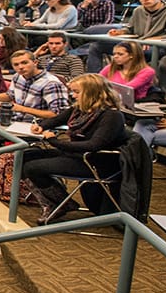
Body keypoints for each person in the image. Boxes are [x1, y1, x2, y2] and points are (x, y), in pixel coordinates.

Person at [24, 74, 126, 224]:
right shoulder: (80, 108)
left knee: (33, 167)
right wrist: (42, 126)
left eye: (77, 92)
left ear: (92, 93)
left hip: (95, 162)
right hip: (76, 154)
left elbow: (92, 145)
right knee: (26, 156)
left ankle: (59, 203)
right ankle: (60, 202)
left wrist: (54, 141)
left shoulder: (112, 116)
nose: (73, 95)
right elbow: (57, 119)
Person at [87, 0, 166, 72]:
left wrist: (152, 40)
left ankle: (129, 82)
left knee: (129, 53)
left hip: (160, 46)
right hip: (138, 43)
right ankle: (95, 79)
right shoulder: (138, 10)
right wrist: (120, 32)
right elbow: (130, 29)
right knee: (96, 46)